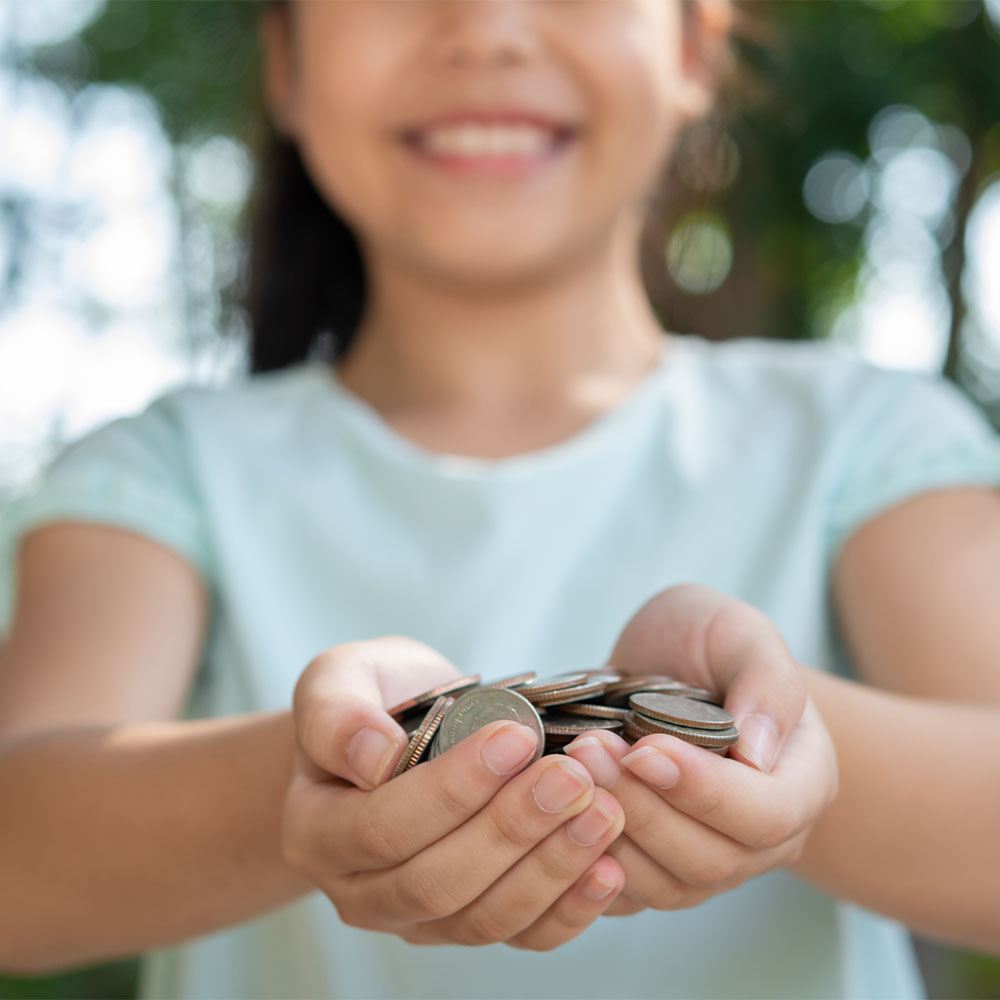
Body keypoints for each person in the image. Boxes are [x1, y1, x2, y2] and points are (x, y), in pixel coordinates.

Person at [1, 1, 999, 997]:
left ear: (694, 45)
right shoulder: (167, 467)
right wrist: (332, 766)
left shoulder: (864, 436)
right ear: (285, 58)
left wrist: (755, 730)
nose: (484, 27)